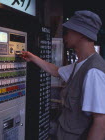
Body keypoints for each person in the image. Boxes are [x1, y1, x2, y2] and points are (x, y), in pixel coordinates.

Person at [21, 10, 105, 140]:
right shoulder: (81, 64)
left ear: (81, 34)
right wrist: (32, 57)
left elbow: (100, 122)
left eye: (68, 31)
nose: (65, 36)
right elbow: (56, 71)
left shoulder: (93, 71)